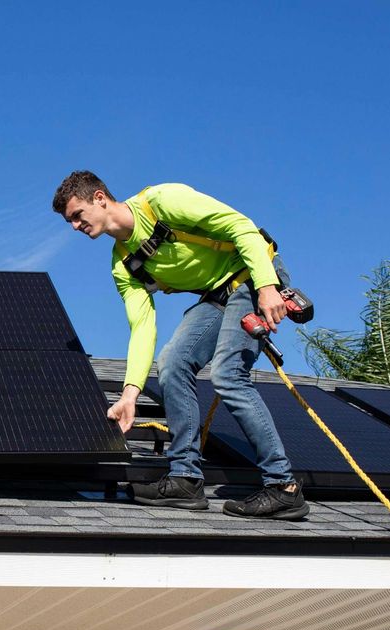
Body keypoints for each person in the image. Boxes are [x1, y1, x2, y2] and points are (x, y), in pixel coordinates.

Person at [52, 172, 308, 520]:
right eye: (70, 221)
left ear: (99, 198)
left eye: (77, 215)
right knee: (172, 364)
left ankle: (283, 486)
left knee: (228, 374)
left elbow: (242, 227)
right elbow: (142, 327)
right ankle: (185, 478)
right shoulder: (124, 264)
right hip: (217, 296)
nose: (75, 226)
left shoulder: (161, 202)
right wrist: (129, 394)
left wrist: (266, 287)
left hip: (251, 275)